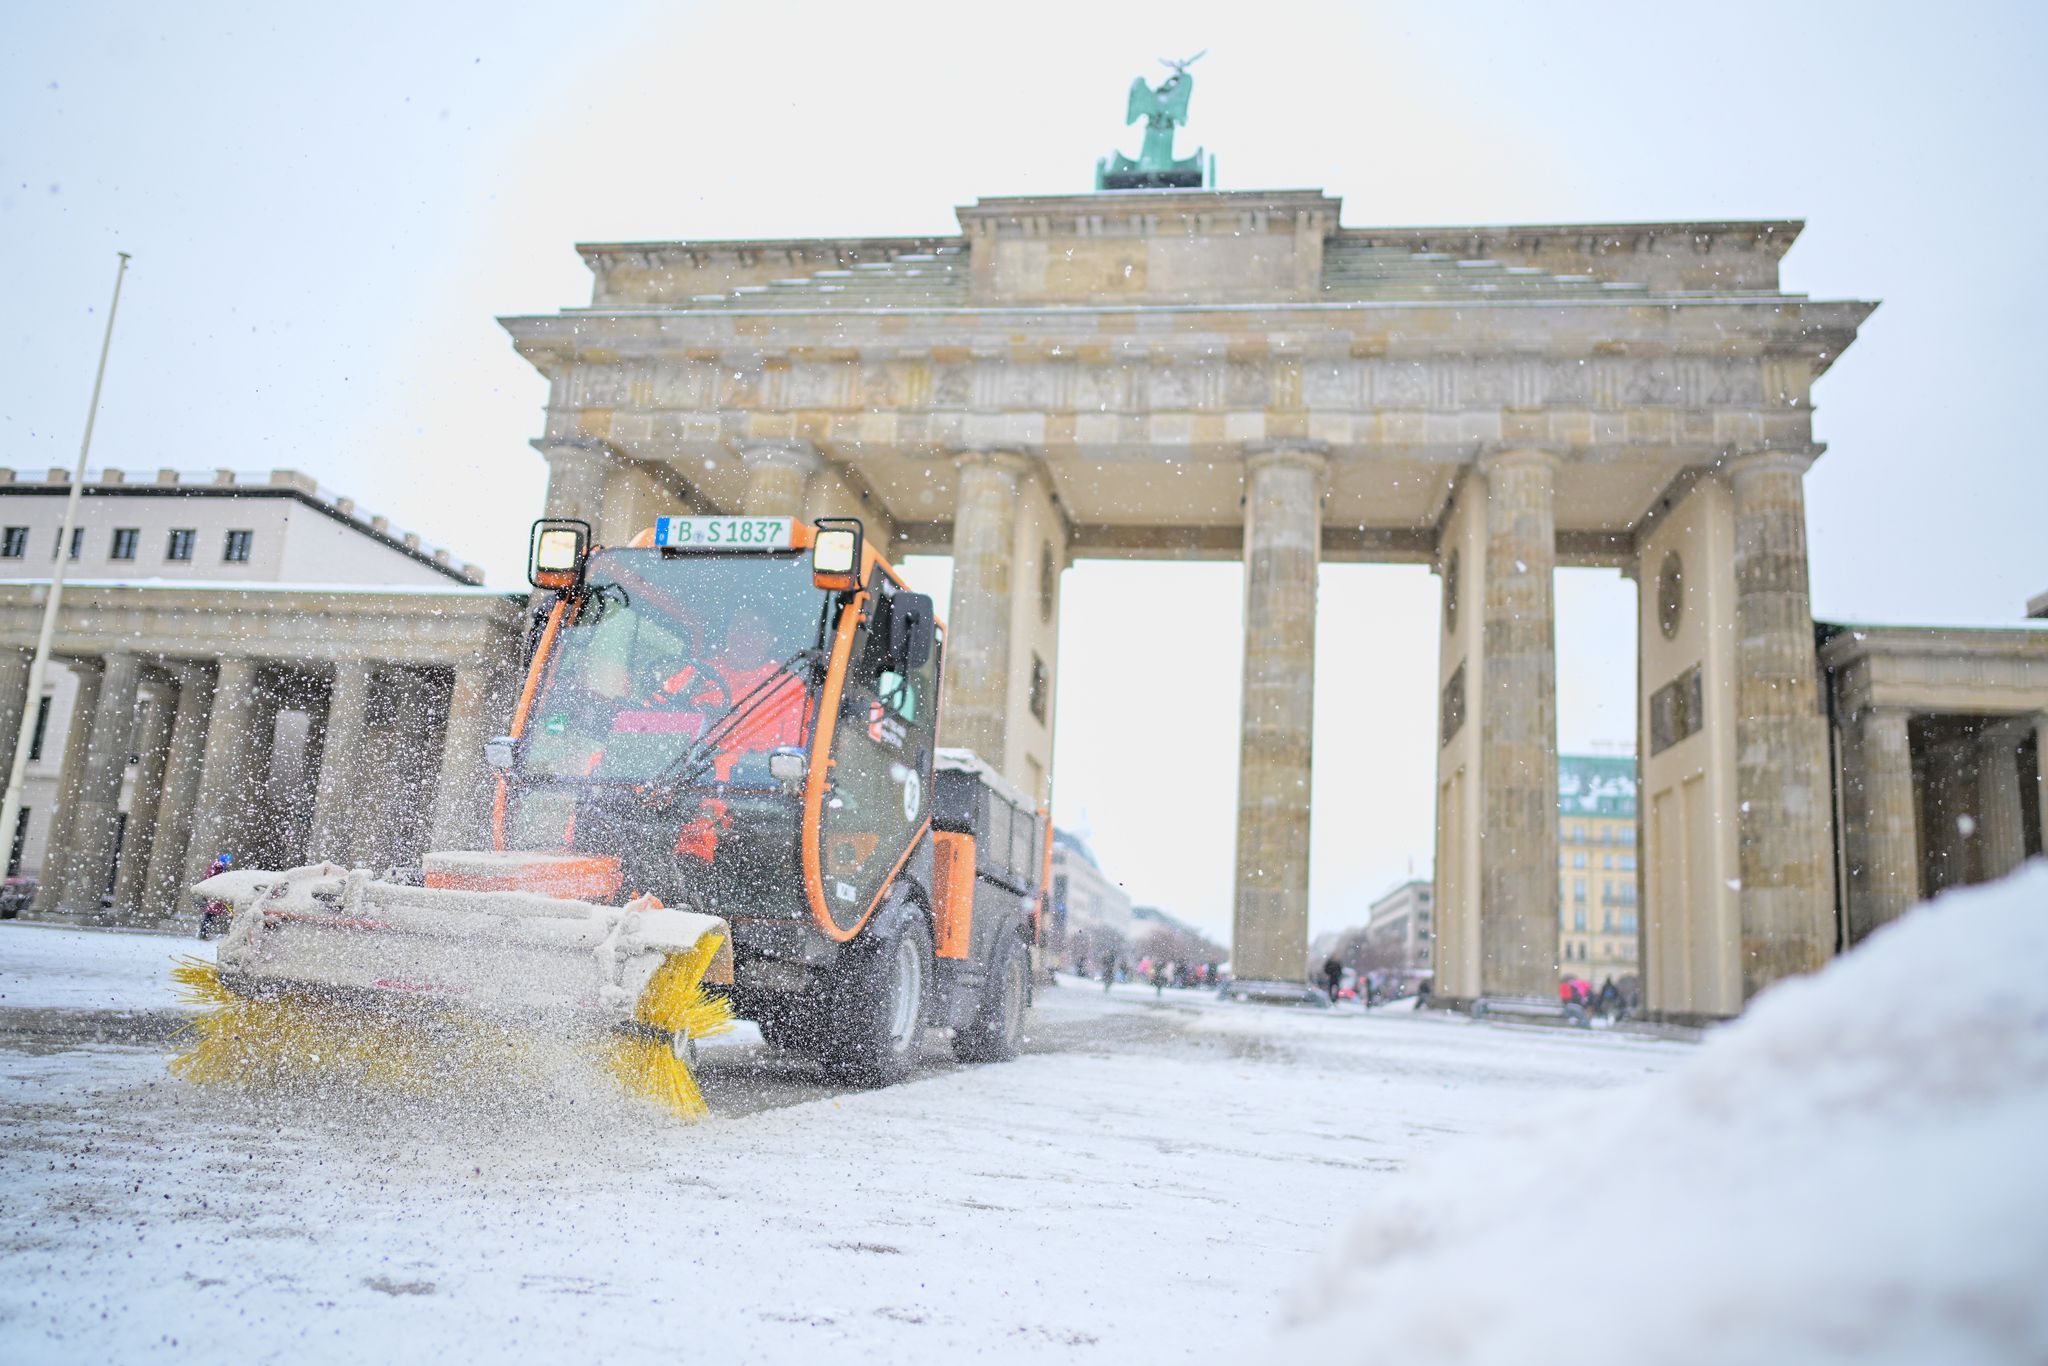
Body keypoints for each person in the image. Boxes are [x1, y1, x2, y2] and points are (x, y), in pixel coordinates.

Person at [198, 852, 235, 939]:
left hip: (216, 895)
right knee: (209, 915)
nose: (229, 863)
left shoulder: (219, 867)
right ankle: (203, 933)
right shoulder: (218, 867)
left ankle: (204, 933)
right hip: (214, 895)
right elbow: (210, 878)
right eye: (228, 861)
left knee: (210, 915)